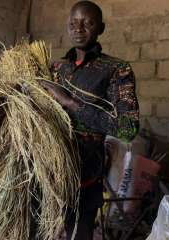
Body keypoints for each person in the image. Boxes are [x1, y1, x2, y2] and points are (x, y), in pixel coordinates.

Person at [41, 1, 140, 239]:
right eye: (73, 23)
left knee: (80, 232)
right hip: (47, 170)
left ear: (101, 28)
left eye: (88, 23)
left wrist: (69, 102)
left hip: (85, 173)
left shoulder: (116, 69)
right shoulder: (56, 69)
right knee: (42, 228)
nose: (79, 28)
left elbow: (127, 129)